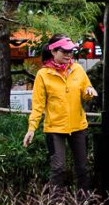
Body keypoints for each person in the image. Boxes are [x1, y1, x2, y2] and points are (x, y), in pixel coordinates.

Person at [24, 35, 97, 190]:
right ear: (53, 51)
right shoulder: (43, 75)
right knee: (58, 168)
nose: (68, 54)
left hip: (78, 126)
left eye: (70, 51)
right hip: (55, 128)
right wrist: (31, 128)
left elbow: (85, 92)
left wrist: (89, 92)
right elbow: (38, 105)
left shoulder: (77, 69)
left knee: (83, 168)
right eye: (64, 51)